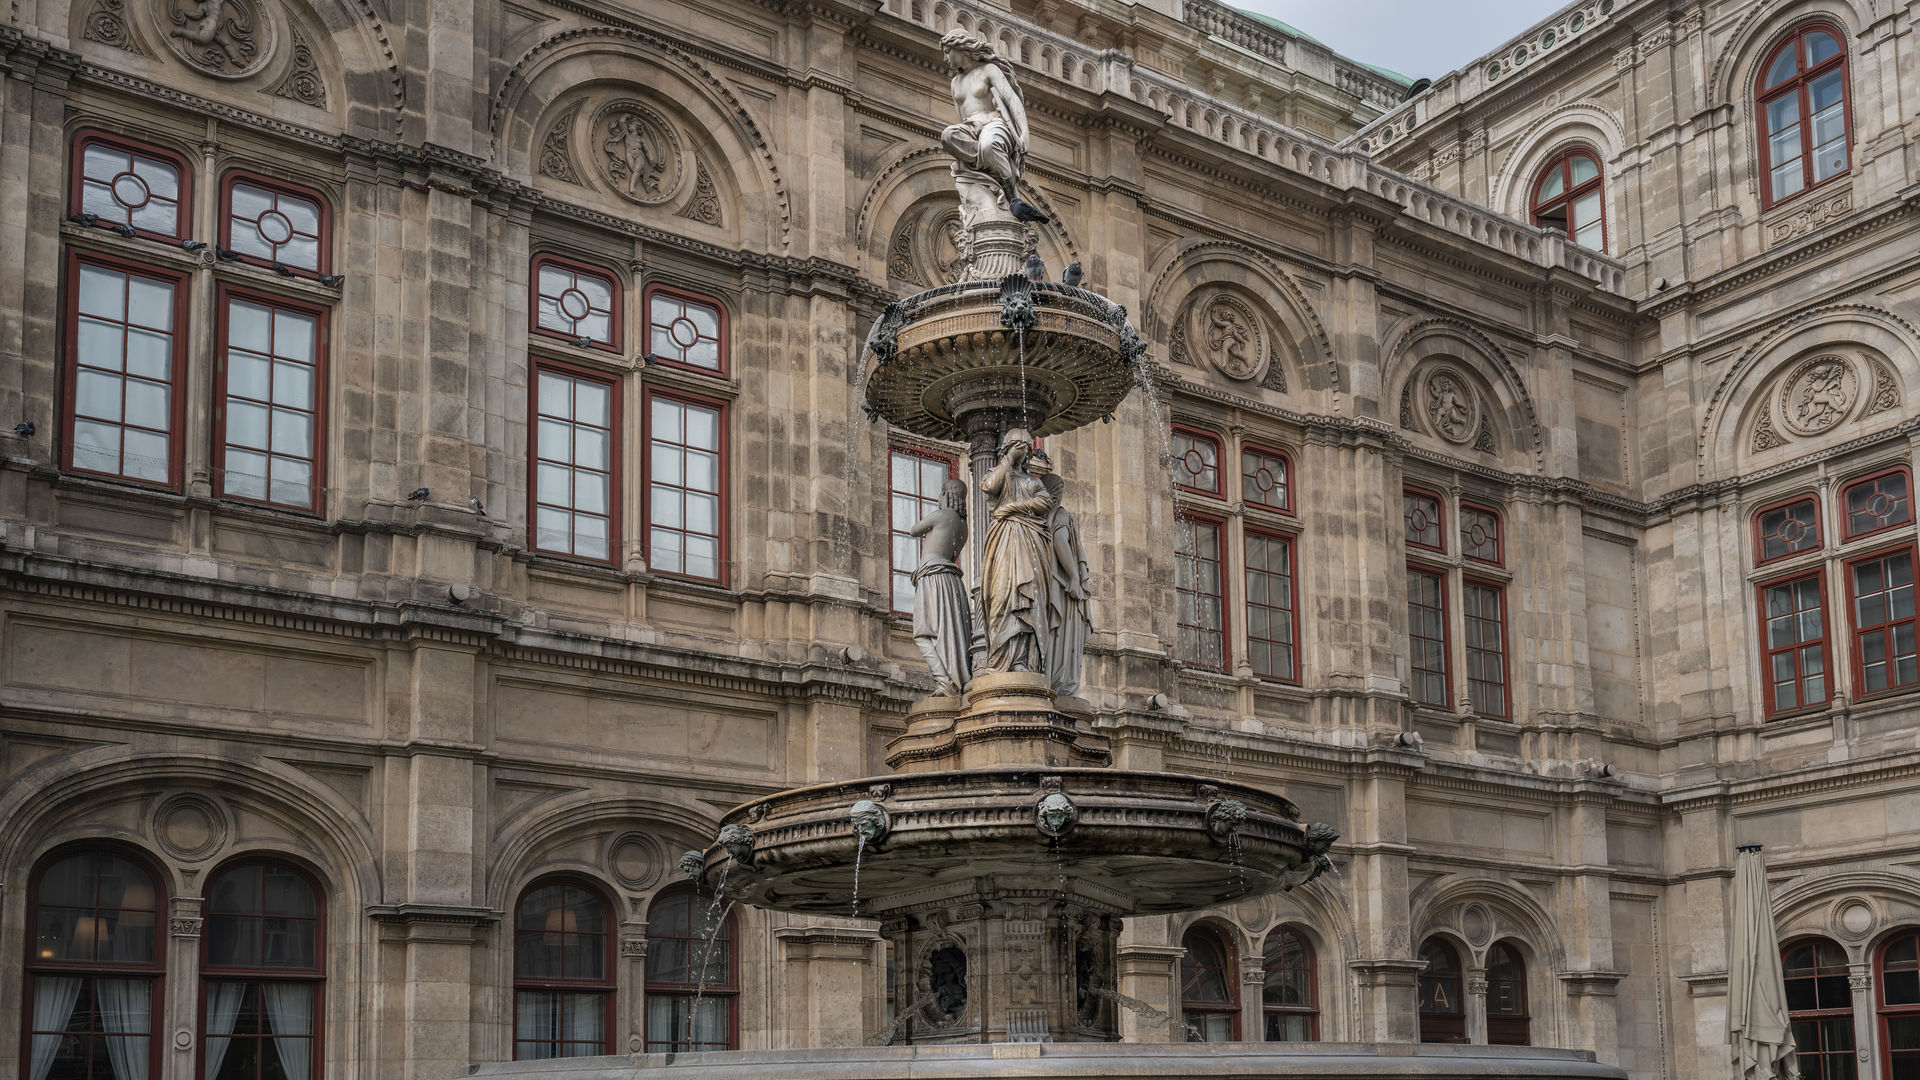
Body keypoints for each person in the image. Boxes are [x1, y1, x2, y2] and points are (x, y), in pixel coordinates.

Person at [939, 30, 1048, 228]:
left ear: (960, 48)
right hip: (970, 126)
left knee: (989, 144)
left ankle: (1007, 186)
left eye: (948, 52)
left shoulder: (989, 70)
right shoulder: (955, 83)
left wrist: (1024, 133)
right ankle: (986, 163)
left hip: (994, 123)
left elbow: (1011, 99)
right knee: (948, 136)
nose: (946, 58)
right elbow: (961, 116)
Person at [980, 429, 1056, 674]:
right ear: (1008, 448)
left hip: (1029, 543)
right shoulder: (999, 474)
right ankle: (998, 659)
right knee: (1002, 593)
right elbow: (989, 487)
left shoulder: (1034, 482)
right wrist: (1007, 461)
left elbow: (1046, 503)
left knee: (1027, 599)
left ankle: (1021, 661)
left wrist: (1012, 507)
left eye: (1025, 449)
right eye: (1016, 447)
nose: (1021, 453)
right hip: (1003, 542)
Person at [1027, 450, 1091, 697]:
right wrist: (1075, 577)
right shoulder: (1059, 514)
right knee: (1065, 635)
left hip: (1048, 585)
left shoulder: (1038, 517)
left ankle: (1052, 676)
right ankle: (1063, 683)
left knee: (1053, 634)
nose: (1062, 493)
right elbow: (1060, 542)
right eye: (1060, 489)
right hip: (1064, 587)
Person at [910, 478, 973, 696]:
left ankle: (944, 680)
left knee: (922, 633)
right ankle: (954, 678)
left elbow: (914, 529)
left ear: (945, 494)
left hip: (932, 577)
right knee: (949, 633)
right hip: (952, 582)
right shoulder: (964, 526)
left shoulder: (940, 515)